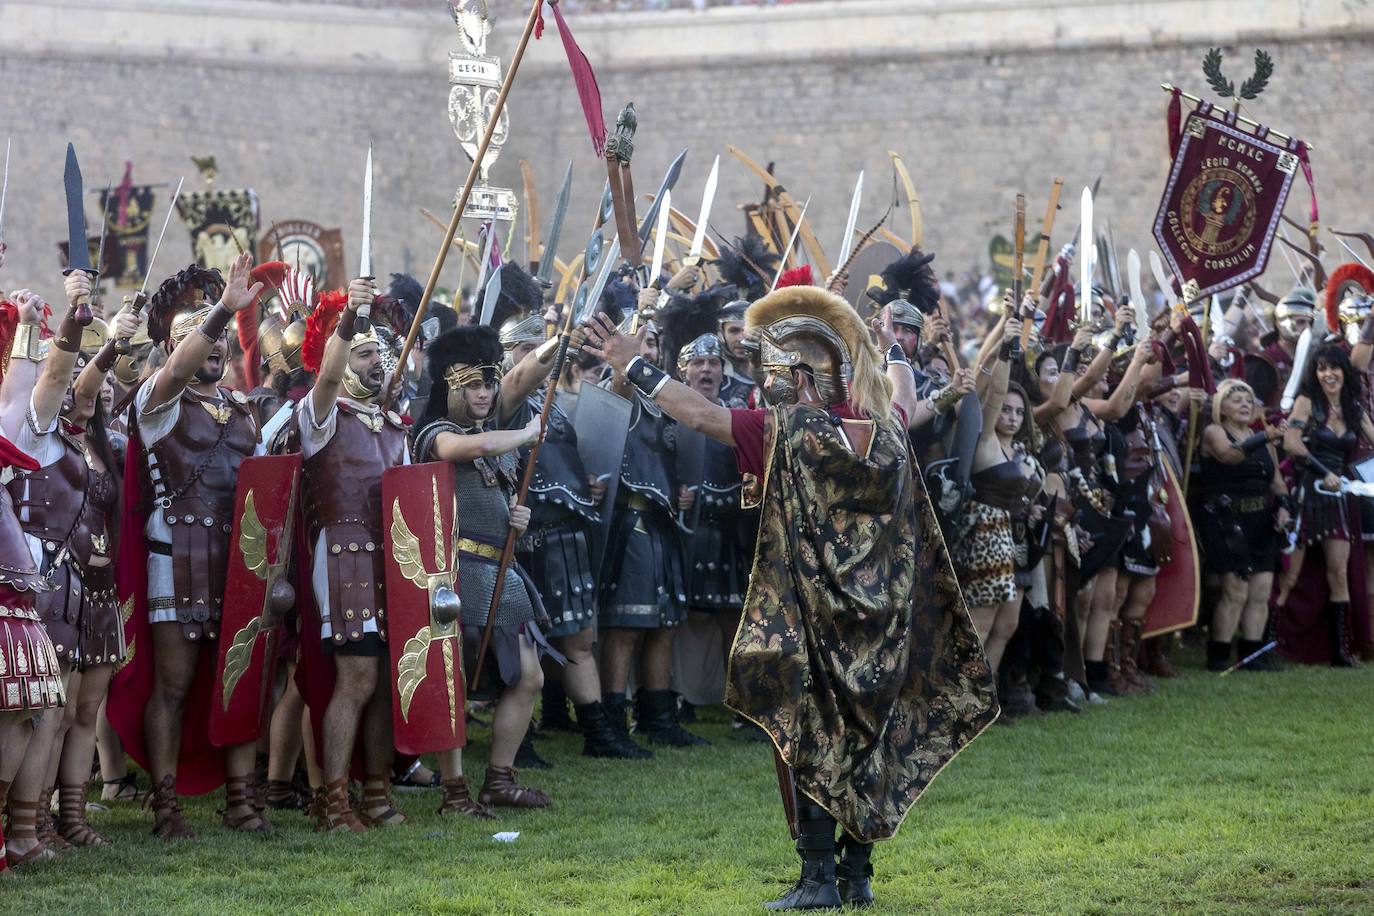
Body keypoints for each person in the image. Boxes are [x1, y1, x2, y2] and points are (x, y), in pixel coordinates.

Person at [583, 278, 996, 910]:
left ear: (801, 377)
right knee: (867, 739)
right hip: (884, 622)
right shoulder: (886, 433)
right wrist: (888, 348)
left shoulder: (793, 430)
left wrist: (632, 363)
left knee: (810, 736)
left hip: (813, 618)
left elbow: (701, 415)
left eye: (774, 370)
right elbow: (905, 399)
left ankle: (818, 880)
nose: (765, 381)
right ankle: (858, 877)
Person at [108, 252, 268, 839]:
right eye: (200, 338)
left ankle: (242, 800)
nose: (215, 347)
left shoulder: (247, 411)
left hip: (237, 561)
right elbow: (176, 371)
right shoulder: (157, 401)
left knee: (237, 679)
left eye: (221, 339)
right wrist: (223, 309)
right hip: (175, 555)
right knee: (173, 685)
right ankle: (166, 805)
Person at [412, 323, 557, 813]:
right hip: (454, 574)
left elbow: (520, 382)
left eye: (488, 384)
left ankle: (499, 779)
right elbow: (466, 451)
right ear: (452, 388)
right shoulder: (434, 433)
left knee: (528, 677)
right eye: (474, 385)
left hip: (502, 573)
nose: (485, 393)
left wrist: (515, 516)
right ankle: (454, 792)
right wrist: (528, 432)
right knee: (452, 683)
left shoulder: (490, 432)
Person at [296, 278, 409, 831]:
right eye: (365, 354)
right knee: (356, 678)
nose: (376, 363)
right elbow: (329, 376)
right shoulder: (320, 416)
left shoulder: (394, 428)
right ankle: (333, 802)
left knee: (387, 677)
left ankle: (378, 796)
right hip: (342, 554)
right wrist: (348, 317)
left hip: (393, 558)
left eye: (380, 354)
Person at [1279, 344, 1374, 665]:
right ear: (1315, 373)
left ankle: (1341, 652)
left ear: (1344, 373)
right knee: (1290, 576)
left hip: (1339, 498)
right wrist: (1324, 472)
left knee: (1338, 572)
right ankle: (1268, 644)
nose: (1328, 374)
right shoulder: (1307, 403)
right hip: (1307, 493)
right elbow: (1290, 443)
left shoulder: (1354, 409)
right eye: (1321, 369)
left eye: (1334, 368)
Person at [1198, 379, 1289, 670]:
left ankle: (1252, 655)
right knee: (1235, 591)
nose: (1244, 405)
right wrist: (1266, 438)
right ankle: (1219, 655)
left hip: (1261, 519)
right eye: (1236, 400)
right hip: (1226, 519)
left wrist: (1285, 508)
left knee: (1261, 591)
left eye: (1248, 400)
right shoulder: (1214, 432)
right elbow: (1230, 455)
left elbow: (1277, 483)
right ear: (1221, 407)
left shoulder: (1261, 436)